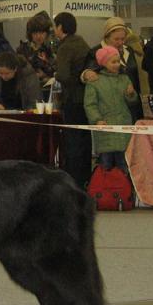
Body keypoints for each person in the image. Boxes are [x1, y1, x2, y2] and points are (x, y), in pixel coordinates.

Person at [83, 46, 139, 172]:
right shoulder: (94, 81)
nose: (116, 65)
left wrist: (131, 94)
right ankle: (103, 190)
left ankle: (125, 190)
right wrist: (97, 120)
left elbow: (132, 102)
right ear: (103, 62)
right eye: (113, 62)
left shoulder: (124, 79)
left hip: (123, 126)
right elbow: (90, 104)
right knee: (105, 164)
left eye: (118, 61)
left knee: (124, 164)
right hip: (105, 128)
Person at [54, 12, 92, 188]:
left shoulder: (65, 46)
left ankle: (73, 181)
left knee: (73, 142)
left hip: (72, 99)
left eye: (56, 26)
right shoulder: (81, 42)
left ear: (60, 27)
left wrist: (58, 76)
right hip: (86, 99)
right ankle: (85, 178)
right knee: (84, 141)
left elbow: (62, 74)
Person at [81, 17, 143, 121]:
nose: (120, 42)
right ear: (106, 37)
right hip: (108, 109)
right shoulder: (95, 52)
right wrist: (86, 73)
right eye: (116, 39)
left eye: (123, 39)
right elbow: (87, 73)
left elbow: (135, 76)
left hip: (131, 104)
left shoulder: (129, 50)